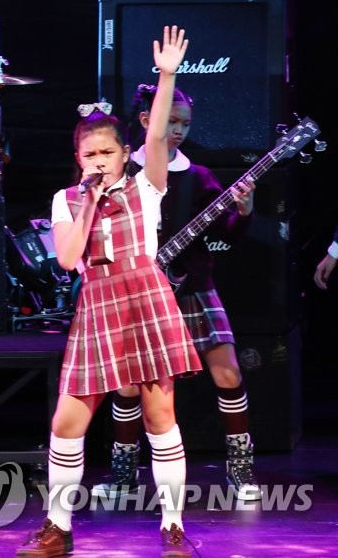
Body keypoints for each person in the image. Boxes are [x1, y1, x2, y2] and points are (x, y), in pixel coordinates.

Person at [17, 26, 200, 558]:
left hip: (145, 297)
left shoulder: (147, 184)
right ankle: (57, 528)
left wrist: (166, 76)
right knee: (67, 421)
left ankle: (172, 529)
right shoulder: (67, 199)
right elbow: (67, 258)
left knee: (159, 417)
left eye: (106, 152)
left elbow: (159, 134)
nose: (98, 160)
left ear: (124, 153)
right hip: (97, 303)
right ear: (78, 157)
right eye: (89, 153)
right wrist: (90, 205)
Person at [91, 84, 261, 503]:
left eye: (185, 123)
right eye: (171, 121)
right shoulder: (122, 171)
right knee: (128, 386)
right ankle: (124, 476)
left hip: (192, 287)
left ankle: (241, 471)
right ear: (146, 120)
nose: (180, 130)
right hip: (135, 291)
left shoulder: (198, 176)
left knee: (228, 373)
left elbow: (228, 234)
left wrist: (244, 211)